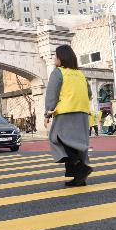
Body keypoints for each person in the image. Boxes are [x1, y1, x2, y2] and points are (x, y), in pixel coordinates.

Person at [45, 45, 93, 187]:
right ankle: (79, 178)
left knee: (57, 138)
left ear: (62, 58)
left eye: (56, 56)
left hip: (66, 111)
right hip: (83, 113)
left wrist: (47, 113)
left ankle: (80, 167)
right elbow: (89, 94)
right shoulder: (80, 74)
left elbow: (52, 95)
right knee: (79, 144)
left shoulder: (58, 72)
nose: (54, 59)